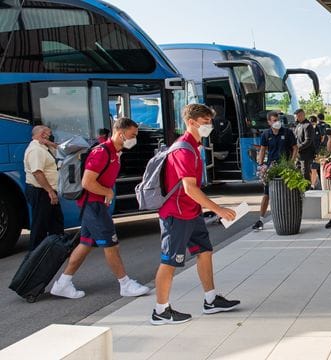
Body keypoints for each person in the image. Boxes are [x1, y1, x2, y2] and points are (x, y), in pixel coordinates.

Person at [151, 104, 240, 325]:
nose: (209, 126)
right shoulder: (183, 149)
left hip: (190, 212)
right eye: (205, 122)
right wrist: (218, 209)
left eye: (210, 122)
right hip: (176, 213)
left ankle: (211, 300)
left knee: (205, 251)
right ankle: (160, 311)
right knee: (170, 261)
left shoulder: (194, 146)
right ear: (191, 122)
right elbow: (190, 188)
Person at [51, 117, 150, 299]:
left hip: (94, 205)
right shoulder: (102, 152)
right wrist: (108, 192)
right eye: (132, 135)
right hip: (93, 205)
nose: (134, 138)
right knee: (111, 244)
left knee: (85, 244)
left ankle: (62, 284)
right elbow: (87, 182)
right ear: (121, 133)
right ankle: (125, 284)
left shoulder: (114, 153)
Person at [252, 111, 298, 231]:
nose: (277, 122)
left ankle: (289, 218)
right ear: (269, 122)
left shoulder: (287, 132)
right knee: (267, 194)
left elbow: (295, 148)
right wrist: (261, 165)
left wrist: (291, 163)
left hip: (286, 168)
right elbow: (262, 150)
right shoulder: (266, 134)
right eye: (274, 120)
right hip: (271, 168)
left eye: (278, 120)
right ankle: (261, 220)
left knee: (287, 193)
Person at [23, 125, 63, 250]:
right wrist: (50, 191)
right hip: (41, 191)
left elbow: (60, 149)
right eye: (49, 133)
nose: (51, 135)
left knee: (55, 220)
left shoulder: (44, 148)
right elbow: (37, 173)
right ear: (42, 134)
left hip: (46, 191)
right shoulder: (36, 150)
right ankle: (34, 253)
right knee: (40, 223)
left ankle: (57, 248)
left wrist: (48, 142)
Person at [293, 108, 315, 182]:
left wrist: (298, 147)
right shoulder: (298, 125)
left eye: (297, 116)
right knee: (298, 171)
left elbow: (308, 140)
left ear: (302, 115)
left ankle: (307, 190)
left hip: (306, 154)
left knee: (305, 173)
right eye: (295, 117)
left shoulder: (308, 125)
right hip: (298, 154)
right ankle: (300, 190)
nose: (296, 118)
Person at [309, 115, 323, 189]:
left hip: (317, 152)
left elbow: (321, 138)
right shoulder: (308, 129)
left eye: (313, 123)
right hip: (311, 152)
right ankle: (313, 184)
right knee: (313, 168)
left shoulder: (318, 128)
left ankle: (313, 185)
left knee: (315, 168)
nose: (312, 124)